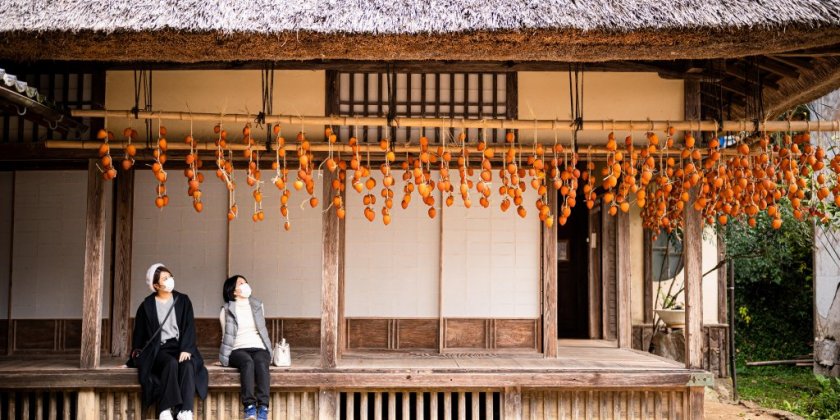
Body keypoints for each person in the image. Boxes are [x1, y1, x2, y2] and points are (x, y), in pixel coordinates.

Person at [128, 263, 208, 420]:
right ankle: (165, 409)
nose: (170, 279)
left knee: (187, 364)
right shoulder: (147, 305)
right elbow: (140, 334)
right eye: (165, 278)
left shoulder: (183, 300)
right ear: (156, 285)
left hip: (180, 346)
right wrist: (132, 359)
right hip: (159, 349)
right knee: (170, 363)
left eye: (170, 276)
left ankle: (185, 410)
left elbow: (189, 327)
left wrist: (186, 349)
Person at [219, 275, 273, 420]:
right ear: (233, 290)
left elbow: (261, 329)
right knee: (247, 362)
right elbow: (226, 336)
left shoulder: (258, 305)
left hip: (258, 346)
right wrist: (223, 357)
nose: (245, 285)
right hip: (237, 349)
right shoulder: (226, 310)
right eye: (241, 283)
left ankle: (263, 407)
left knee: (261, 362)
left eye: (245, 282)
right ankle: (249, 407)